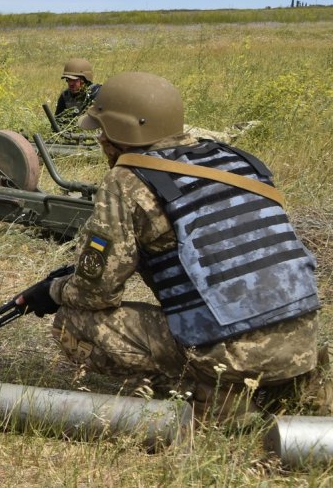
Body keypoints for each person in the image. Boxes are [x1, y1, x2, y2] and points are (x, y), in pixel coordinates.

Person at [16, 71, 322, 419]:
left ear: (118, 133)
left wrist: (53, 292)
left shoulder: (127, 180)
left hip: (229, 356)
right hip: (303, 344)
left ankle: (213, 394)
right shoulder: (238, 161)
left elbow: (95, 293)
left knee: (72, 324)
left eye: (101, 130)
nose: (100, 139)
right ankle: (286, 387)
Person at [51, 58, 100, 132]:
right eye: (68, 80)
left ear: (84, 80)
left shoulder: (98, 93)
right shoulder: (65, 97)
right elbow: (58, 124)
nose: (71, 84)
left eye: (74, 80)